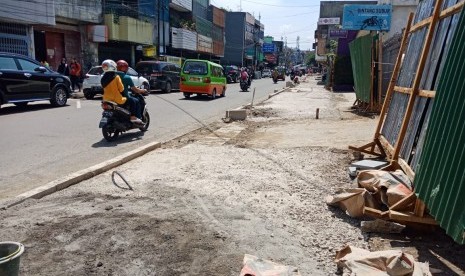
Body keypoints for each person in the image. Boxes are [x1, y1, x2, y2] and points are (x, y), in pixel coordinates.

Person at [100, 59, 142, 124]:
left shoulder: (103, 78)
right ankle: (133, 117)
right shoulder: (116, 77)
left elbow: (103, 88)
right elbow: (121, 88)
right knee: (134, 101)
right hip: (117, 99)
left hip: (106, 99)